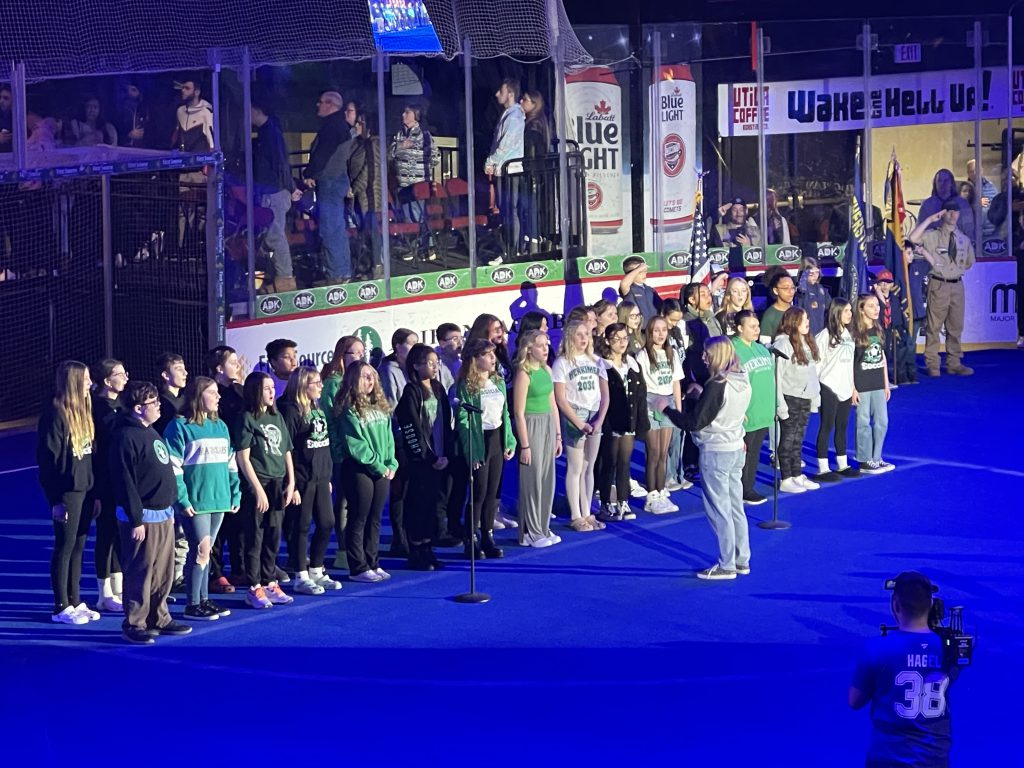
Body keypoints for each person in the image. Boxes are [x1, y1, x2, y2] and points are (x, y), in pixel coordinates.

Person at [109, 380, 192, 644]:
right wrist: (135, 519)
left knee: (162, 572)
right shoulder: (126, 437)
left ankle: (160, 616)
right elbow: (125, 482)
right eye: (152, 403)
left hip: (163, 513)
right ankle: (135, 621)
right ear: (137, 408)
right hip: (143, 517)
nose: (158, 406)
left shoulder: (150, 431)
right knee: (140, 571)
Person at [664, 336, 753, 580]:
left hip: (716, 450)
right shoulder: (742, 379)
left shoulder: (718, 384)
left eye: (708, 354)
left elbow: (695, 422)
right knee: (735, 506)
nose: (704, 358)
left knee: (718, 509)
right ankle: (741, 558)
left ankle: (726, 564)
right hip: (735, 448)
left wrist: (666, 409)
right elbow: (721, 407)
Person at [850, 571, 957, 767]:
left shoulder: (876, 648)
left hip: (887, 758)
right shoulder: (949, 648)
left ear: (896, 605)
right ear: (931, 604)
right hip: (934, 759)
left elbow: (854, 701)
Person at [163, 376, 239, 621]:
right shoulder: (179, 427)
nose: (218, 397)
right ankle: (192, 603)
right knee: (201, 550)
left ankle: (204, 599)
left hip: (219, 499)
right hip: (196, 502)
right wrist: (182, 500)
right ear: (198, 396)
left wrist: (234, 492)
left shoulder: (221, 426)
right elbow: (173, 468)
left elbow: (231, 464)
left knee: (206, 552)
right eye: (213, 392)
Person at [38, 361, 98, 625]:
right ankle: (60, 605)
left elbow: (88, 457)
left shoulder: (84, 411)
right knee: (65, 545)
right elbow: (47, 462)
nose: (89, 383)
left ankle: (76, 599)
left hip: (85, 489)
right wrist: (56, 500)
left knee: (79, 545)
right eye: (85, 379)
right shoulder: (55, 414)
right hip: (67, 493)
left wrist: (95, 492)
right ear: (73, 381)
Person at [235, 372, 296, 609]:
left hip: (278, 483)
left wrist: (291, 482)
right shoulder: (247, 418)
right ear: (255, 391)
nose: (272, 392)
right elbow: (243, 458)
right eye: (267, 388)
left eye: (273, 387)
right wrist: (257, 489)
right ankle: (254, 586)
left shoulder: (277, 416)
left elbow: (286, 450)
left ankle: (270, 581)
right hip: (258, 483)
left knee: (273, 534)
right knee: (255, 537)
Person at [278, 367, 340, 593]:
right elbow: (288, 449)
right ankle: (300, 574)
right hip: (302, 479)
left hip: (321, 476)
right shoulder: (290, 410)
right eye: (316, 382)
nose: (321, 386)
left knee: (326, 522)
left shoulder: (316, 406)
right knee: (300, 526)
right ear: (303, 385)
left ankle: (316, 568)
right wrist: (291, 484)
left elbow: (323, 443)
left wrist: (328, 474)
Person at [455, 338, 517, 559]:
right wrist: (470, 450)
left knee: (493, 492)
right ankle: (470, 537)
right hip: (478, 439)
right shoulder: (467, 386)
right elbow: (463, 420)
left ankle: (487, 534)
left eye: (493, 354)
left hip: (497, 439)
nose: (493, 358)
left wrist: (510, 441)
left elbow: (505, 414)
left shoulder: (497, 381)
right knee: (479, 492)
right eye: (488, 355)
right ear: (475, 358)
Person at [336, 361, 398, 582]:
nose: (370, 380)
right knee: (358, 517)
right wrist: (379, 466)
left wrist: (391, 463)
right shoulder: (349, 410)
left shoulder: (380, 406)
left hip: (382, 469)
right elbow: (357, 445)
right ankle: (358, 566)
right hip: (359, 469)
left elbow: (389, 438)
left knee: (375, 518)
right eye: (364, 376)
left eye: (372, 376)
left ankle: (373, 561)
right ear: (354, 380)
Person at [395, 344, 454, 570]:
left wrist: (446, 454)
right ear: (416, 365)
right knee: (417, 504)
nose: (434, 367)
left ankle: (429, 547)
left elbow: (447, 423)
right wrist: (428, 457)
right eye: (429, 363)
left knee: (433, 504)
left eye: (436, 362)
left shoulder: (438, 388)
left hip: (440, 455)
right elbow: (411, 427)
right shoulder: (412, 391)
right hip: (421, 460)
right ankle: (416, 549)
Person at [553, 319, 609, 532]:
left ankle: (587, 512)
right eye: (579, 334)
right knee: (575, 467)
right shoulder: (562, 363)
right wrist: (579, 423)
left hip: (595, 415)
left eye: (587, 334)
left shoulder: (596, 361)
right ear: (569, 337)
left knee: (589, 466)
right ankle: (576, 515)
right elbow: (560, 398)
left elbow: (605, 395)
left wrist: (599, 420)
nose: (584, 338)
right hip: (576, 415)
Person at [908, 203, 976, 377]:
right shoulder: (933, 236)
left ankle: (954, 362)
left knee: (955, 326)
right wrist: (930, 219)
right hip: (939, 283)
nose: (953, 215)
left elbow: (968, 263)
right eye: (950, 211)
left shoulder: (963, 239)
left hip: (957, 284)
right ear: (943, 213)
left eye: (956, 212)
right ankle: (933, 363)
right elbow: (913, 238)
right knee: (934, 326)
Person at [512, 330, 563, 545]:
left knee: (547, 479)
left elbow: (553, 404)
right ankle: (530, 532)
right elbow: (518, 413)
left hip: (547, 425)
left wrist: (558, 435)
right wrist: (525, 445)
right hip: (531, 425)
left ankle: (542, 527)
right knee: (532, 480)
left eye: (546, 344)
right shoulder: (524, 374)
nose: (545, 349)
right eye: (540, 345)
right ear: (529, 348)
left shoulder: (547, 370)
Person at [320, 335, 365, 570]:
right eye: (355, 353)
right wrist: (339, 450)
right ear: (342, 356)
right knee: (344, 501)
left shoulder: (359, 381)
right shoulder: (333, 383)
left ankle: (359, 547)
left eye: (362, 352)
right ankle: (343, 549)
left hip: (358, 451)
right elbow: (331, 420)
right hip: (339, 452)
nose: (360, 357)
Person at [598, 323, 649, 521]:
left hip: (629, 420)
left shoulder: (632, 364)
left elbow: (640, 395)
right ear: (608, 341)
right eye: (616, 339)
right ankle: (605, 502)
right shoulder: (602, 365)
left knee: (624, 463)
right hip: (611, 421)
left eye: (624, 338)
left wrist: (641, 422)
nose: (621, 343)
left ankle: (622, 500)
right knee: (608, 461)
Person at [88, 359, 128, 612]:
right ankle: (103, 593)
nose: (125, 377)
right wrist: (96, 491)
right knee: (106, 535)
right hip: (103, 482)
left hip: (121, 480)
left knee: (119, 534)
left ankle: (119, 587)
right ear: (106, 381)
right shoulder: (96, 408)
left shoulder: (123, 405)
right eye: (119, 374)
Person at [303, 90, 354, 284]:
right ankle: (342, 271)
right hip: (337, 179)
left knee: (329, 229)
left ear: (331, 105)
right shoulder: (340, 126)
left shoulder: (331, 127)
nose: (318, 105)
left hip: (330, 181)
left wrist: (309, 173)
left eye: (321, 102)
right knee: (337, 228)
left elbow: (322, 155)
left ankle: (336, 275)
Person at [636, 316, 684, 514]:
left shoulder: (670, 353)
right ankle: (652, 494)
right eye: (656, 330)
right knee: (653, 452)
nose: (660, 334)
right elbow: (642, 384)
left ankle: (662, 489)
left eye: (664, 330)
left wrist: (678, 410)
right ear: (649, 332)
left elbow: (676, 383)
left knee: (664, 453)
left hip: (668, 402)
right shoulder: (643, 355)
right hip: (651, 402)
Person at [772, 307, 821, 494]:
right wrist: (780, 405)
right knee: (787, 439)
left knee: (798, 439)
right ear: (793, 322)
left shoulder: (806, 341)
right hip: (790, 397)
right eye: (803, 319)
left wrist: (815, 397)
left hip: (805, 397)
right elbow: (777, 377)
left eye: (807, 318)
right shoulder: (783, 344)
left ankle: (797, 474)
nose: (807, 322)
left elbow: (812, 371)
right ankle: (786, 478)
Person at [251, 98, 296, 293]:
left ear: (258, 109)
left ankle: (285, 279)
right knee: (271, 236)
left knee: (275, 237)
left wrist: (290, 187)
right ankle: (280, 278)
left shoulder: (270, 134)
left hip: (274, 191)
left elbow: (280, 164)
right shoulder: (267, 132)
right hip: (271, 190)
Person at [731, 311, 774, 505]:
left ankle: (749, 486)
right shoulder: (733, 349)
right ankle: (741, 488)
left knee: (755, 451)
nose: (757, 330)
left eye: (757, 326)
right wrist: (738, 409)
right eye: (752, 326)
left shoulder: (763, 350)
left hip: (763, 410)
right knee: (743, 454)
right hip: (746, 412)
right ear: (740, 328)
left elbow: (770, 379)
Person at [813, 299, 858, 483]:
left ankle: (842, 463)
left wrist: (853, 387)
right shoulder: (824, 336)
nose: (850, 314)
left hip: (846, 387)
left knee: (842, 426)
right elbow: (817, 364)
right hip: (828, 386)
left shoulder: (848, 334)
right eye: (846, 311)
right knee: (827, 426)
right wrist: (816, 389)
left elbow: (850, 364)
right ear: (837, 312)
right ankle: (823, 467)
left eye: (850, 310)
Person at [389, 104, 438, 262]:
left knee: (420, 215)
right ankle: (412, 248)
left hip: (418, 184)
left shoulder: (424, 134)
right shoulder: (399, 134)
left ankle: (427, 247)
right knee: (408, 218)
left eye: (407, 112)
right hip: (402, 184)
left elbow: (434, 157)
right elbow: (390, 153)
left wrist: (411, 157)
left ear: (415, 115)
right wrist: (402, 147)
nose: (403, 114)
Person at [852, 293, 894, 475]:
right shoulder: (854, 333)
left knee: (882, 421)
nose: (876, 309)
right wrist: (852, 387)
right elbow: (851, 363)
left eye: (877, 305)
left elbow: (882, 357)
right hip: (862, 384)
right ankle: (864, 459)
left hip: (877, 383)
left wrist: (886, 383)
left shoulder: (878, 330)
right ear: (861, 309)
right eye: (871, 306)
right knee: (863, 422)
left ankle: (876, 458)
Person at [485, 78, 525, 265]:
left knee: (511, 211)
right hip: (504, 168)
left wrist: (491, 160)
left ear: (510, 93)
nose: (496, 94)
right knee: (507, 211)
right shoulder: (509, 114)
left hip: (510, 169)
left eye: (501, 91)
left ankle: (511, 251)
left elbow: (505, 143)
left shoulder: (515, 116)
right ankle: (508, 249)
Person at [348, 110, 383, 280]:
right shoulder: (358, 144)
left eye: (360, 123)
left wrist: (354, 189)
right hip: (360, 195)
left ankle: (376, 267)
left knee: (372, 232)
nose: (356, 126)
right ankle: (368, 265)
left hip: (369, 195)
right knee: (364, 232)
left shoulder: (373, 144)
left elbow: (370, 171)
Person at [873, 270, 918, 386]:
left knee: (899, 350)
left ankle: (900, 376)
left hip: (892, 329)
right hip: (879, 330)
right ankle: (880, 380)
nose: (884, 285)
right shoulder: (873, 298)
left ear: (892, 284)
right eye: (882, 282)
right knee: (880, 354)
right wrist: (879, 295)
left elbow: (897, 315)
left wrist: (898, 328)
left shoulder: (895, 298)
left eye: (887, 282)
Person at [917, 168, 974, 239]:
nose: (943, 184)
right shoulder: (927, 205)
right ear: (935, 183)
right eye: (940, 181)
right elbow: (919, 230)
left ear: (951, 183)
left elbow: (969, 231)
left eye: (946, 181)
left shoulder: (962, 204)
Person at [153, 352, 189, 438]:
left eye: (184, 369)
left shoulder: (187, 400)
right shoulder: (158, 402)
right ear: (165, 375)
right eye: (179, 369)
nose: (185, 373)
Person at [618, 256, 662, 325]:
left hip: (653, 330)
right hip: (638, 330)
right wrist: (639, 268)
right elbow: (624, 283)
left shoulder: (650, 290)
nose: (644, 274)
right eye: (640, 272)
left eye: (645, 271)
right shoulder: (629, 290)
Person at [759, 266, 796, 344]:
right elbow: (765, 346)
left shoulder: (797, 311)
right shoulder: (769, 316)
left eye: (792, 288)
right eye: (786, 288)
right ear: (775, 290)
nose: (791, 292)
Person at [796, 256, 831, 337]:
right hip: (806, 333)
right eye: (811, 274)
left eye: (817, 272)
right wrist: (803, 277)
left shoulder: (821, 289)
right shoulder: (801, 289)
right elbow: (800, 293)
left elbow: (829, 307)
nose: (815, 276)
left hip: (822, 333)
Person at [967, 158, 997, 238]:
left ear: (982, 171)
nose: (974, 173)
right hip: (972, 232)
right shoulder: (964, 189)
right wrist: (975, 205)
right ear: (968, 174)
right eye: (971, 171)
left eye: (976, 170)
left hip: (990, 232)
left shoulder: (991, 187)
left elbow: (996, 208)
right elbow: (961, 209)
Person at [435, 322, 463, 392]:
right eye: (455, 339)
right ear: (442, 343)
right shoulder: (438, 362)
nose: (460, 343)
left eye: (461, 338)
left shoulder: (461, 360)